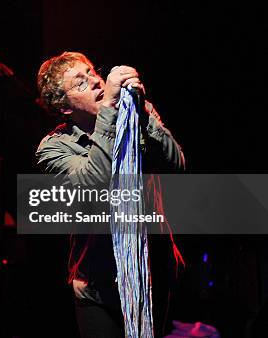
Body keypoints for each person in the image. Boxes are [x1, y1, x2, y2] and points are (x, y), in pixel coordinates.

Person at [35, 51, 184, 337]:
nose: (93, 81)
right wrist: (109, 112)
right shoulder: (54, 148)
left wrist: (141, 115)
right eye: (80, 83)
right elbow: (97, 183)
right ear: (64, 107)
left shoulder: (138, 113)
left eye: (91, 72)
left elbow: (176, 164)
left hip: (152, 275)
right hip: (98, 288)